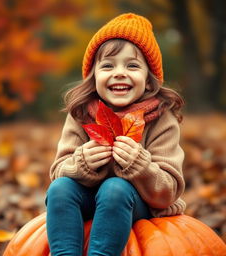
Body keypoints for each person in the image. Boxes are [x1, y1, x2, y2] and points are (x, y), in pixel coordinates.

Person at [46, 13, 186, 256]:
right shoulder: (81, 114)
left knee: (115, 188)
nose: (119, 72)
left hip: (138, 205)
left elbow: (167, 192)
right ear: (94, 76)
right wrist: (80, 164)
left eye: (132, 65)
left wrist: (141, 166)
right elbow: (58, 172)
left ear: (149, 79)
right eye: (108, 65)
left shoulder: (162, 119)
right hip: (87, 201)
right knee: (60, 189)